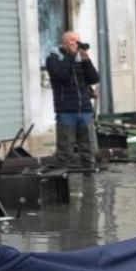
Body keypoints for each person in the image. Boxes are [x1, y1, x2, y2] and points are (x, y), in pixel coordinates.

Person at [45, 30, 100, 170]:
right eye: (72, 41)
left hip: (85, 111)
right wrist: (70, 56)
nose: (76, 44)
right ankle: (62, 184)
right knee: (65, 152)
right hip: (66, 111)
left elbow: (94, 78)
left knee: (89, 150)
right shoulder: (53, 59)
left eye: (77, 41)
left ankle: (90, 181)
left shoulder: (80, 59)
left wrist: (86, 60)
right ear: (63, 43)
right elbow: (61, 75)